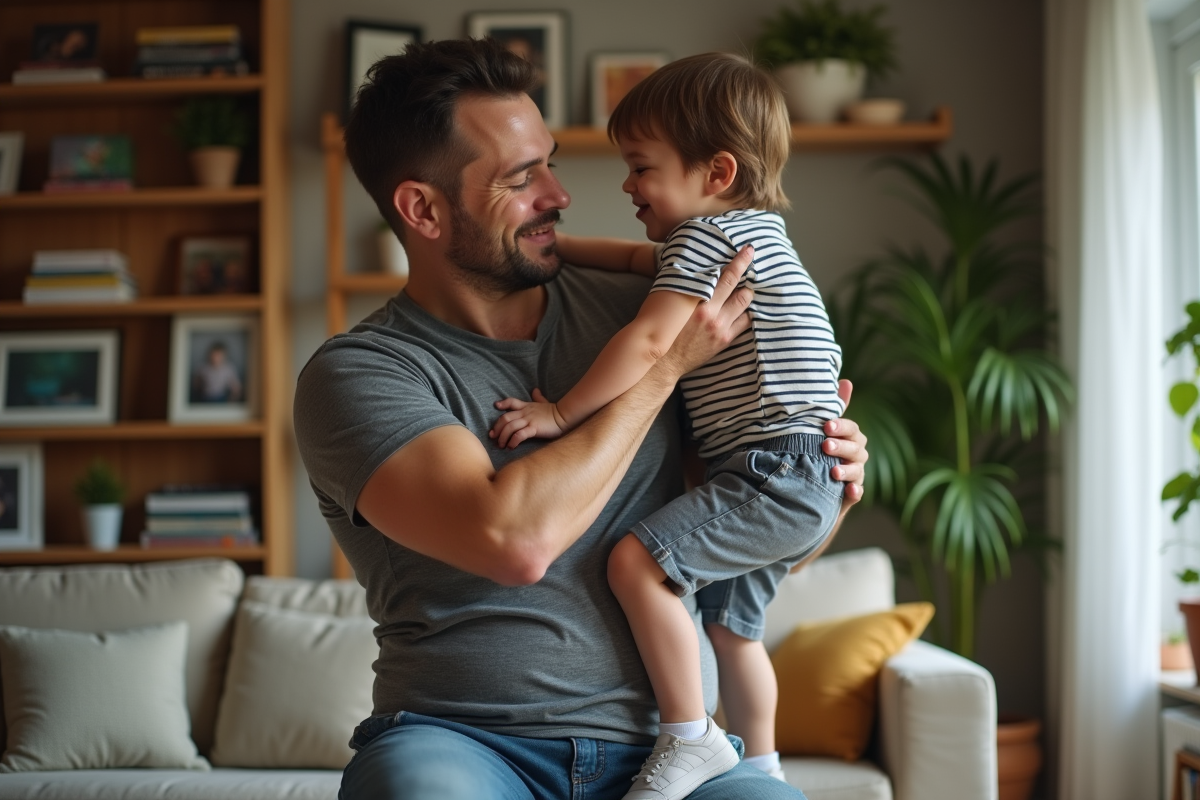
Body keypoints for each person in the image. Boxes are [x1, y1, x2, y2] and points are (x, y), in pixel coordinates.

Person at [292, 38, 868, 800]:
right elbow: (514, 541)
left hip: (672, 762)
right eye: (521, 178)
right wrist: (664, 370)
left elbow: (738, 535)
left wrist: (830, 488)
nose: (560, 195)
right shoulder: (361, 374)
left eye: (551, 164)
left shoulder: (653, 311)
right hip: (465, 744)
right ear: (422, 209)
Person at [489, 53, 842, 797]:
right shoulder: (748, 236)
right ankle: (762, 765)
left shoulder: (705, 240)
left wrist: (560, 412)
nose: (627, 184)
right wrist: (556, 248)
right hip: (801, 466)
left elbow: (652, 342)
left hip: (769, 469)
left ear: (716, 173)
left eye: (641, 167)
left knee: (635, 564)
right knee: (732, 629)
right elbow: (631, 259)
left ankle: (690, 735)